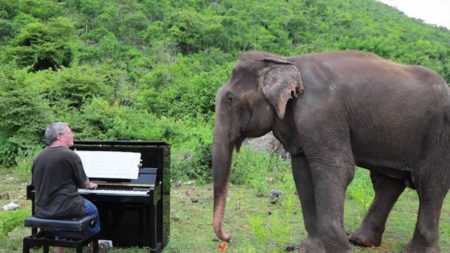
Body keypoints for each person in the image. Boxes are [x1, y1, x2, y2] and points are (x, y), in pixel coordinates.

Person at [32, 122, 100, 253]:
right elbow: (84, 184)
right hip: (66, 208)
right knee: (93, 210)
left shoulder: (39, 156)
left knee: (61, 210)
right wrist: (92, 184)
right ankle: (93, 244)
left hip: (42, 209)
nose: (73, 135)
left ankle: (59, 247)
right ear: (60, 136)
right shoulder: (70, 155)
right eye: (70, 132)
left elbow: (35, 183)